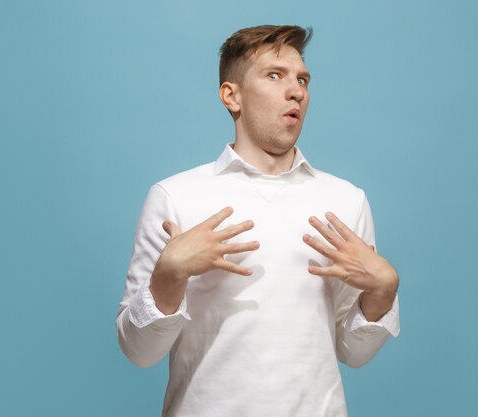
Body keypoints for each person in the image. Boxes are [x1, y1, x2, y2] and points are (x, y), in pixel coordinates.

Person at [116, 25, 400, 417]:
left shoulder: (346, 201)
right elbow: (139, 351)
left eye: (302, 79)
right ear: (232, 96)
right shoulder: (174, 197)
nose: (296, 90)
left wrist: (382, 294)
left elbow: (354, 352)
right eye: (274, 75)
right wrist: (168, 277)